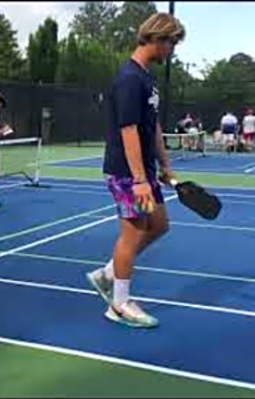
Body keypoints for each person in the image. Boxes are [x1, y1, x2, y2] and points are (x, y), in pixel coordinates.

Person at [86, 13, 185, 328]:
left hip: (144, 170)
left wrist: (165, 166)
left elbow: (151, 126)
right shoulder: (129, 78)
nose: (173, 50)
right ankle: (119, 304)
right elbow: (128, 130)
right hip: (127, 172)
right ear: (158, 38)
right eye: (172, 43)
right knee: (134, 232)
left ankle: (108, 273)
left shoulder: (147, 77)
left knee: (158, 223)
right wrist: (140, 180)